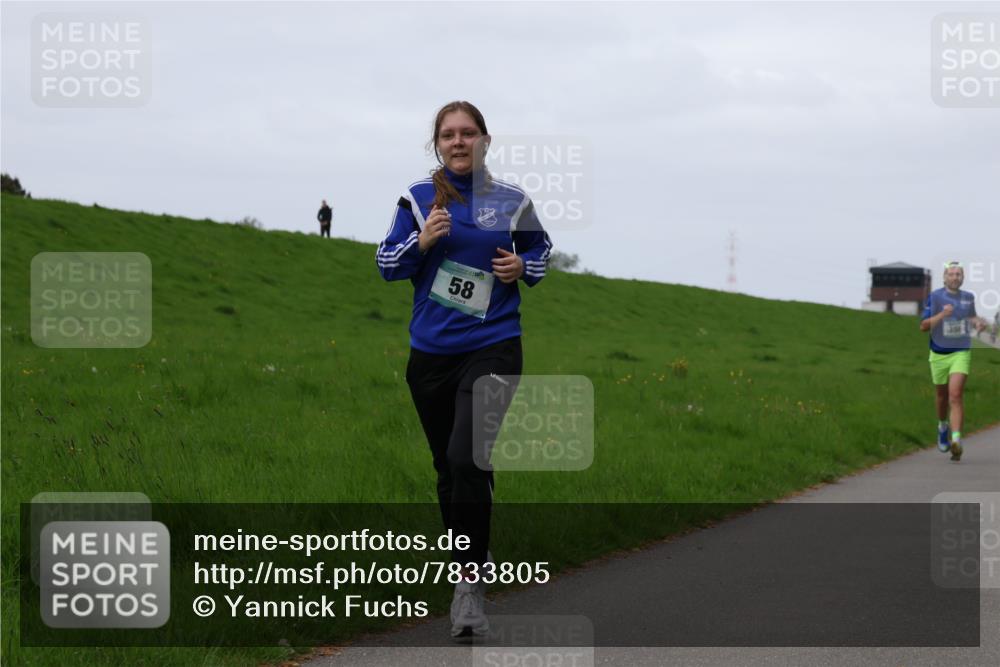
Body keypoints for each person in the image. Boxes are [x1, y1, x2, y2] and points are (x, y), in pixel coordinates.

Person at [376, 101, 552, 638]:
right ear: (437, 143)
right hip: (430, 354)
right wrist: (423, 240)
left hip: (495, 344)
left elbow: (543, 254)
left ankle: (469, 587)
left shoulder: (512, 200)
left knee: (465, 455)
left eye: (468, 133)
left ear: (484, 141)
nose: (458, 142)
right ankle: (471, 549)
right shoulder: (417, 198)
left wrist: (523, 267)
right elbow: (387, 263)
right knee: (449, 470)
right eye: (448, 135)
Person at [919, 261, 988, 461]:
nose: (955, 277)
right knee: (941, 397)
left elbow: (972, 317)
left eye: (958, 274)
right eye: (951, 274)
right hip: (939, 354)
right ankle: (942, 426)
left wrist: (979, 323)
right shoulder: (936, 297)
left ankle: (956, 440)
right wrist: (942, 314)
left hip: (961, 352)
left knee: (955, 395)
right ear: (945, 277)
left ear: (963, 277)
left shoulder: (968, 298)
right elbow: (923, 326)